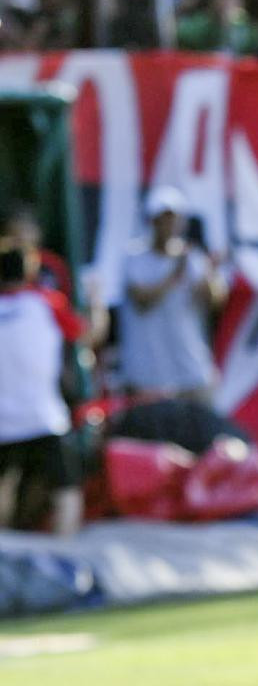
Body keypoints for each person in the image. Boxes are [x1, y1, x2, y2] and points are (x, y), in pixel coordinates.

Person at [0, 207, 105, 535]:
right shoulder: (47, 302)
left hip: (6, 419)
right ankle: (67, 560)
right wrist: (98, 302)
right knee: (67, 491)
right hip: (44, 417)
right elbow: (88, 334)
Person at [118, 186, 227, 405]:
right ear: (152, 221)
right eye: (163, 219)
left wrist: (210, 273)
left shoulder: (194, 259)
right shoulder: (134, 258)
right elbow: (142, 301)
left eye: (174, 219)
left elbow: (214, 301)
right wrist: (175, 273)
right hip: (147, 377)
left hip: (191, 372)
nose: (169, 225)